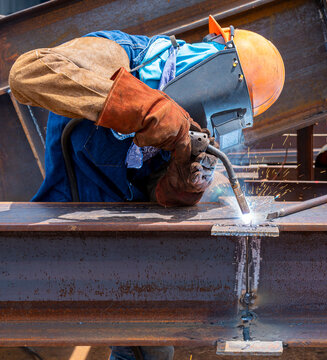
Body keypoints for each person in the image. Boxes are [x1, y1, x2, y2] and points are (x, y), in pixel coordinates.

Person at [8, 16, 284, 360]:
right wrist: (145, 108)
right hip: (62, 228)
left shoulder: (189, 125)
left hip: (123, 249)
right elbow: (27, 74)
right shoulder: (120, 53)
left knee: (151, 350)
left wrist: (180, 186)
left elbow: (153, 189)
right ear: (216, 60)